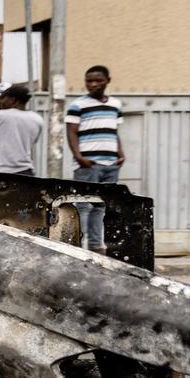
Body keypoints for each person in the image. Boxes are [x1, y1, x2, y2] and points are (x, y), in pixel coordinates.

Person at [66, 64, 125, 253]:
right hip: (88, 164)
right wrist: (78, 157)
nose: (93, 84)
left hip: (110, 164)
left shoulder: (115, 104)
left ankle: (96, 247)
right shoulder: (78, 105)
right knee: (83, 206)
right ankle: (77, 247)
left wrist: (121, 153)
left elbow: (115, 131)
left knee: (100, 206)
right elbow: (71, 133)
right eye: (89, 81)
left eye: (98, 80)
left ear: (108, 81)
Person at [0, 84, 44, 175]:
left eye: (3, 98)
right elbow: (33, 141)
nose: (0, 101)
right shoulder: (37, 119)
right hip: (24, 170)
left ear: (13, 100)